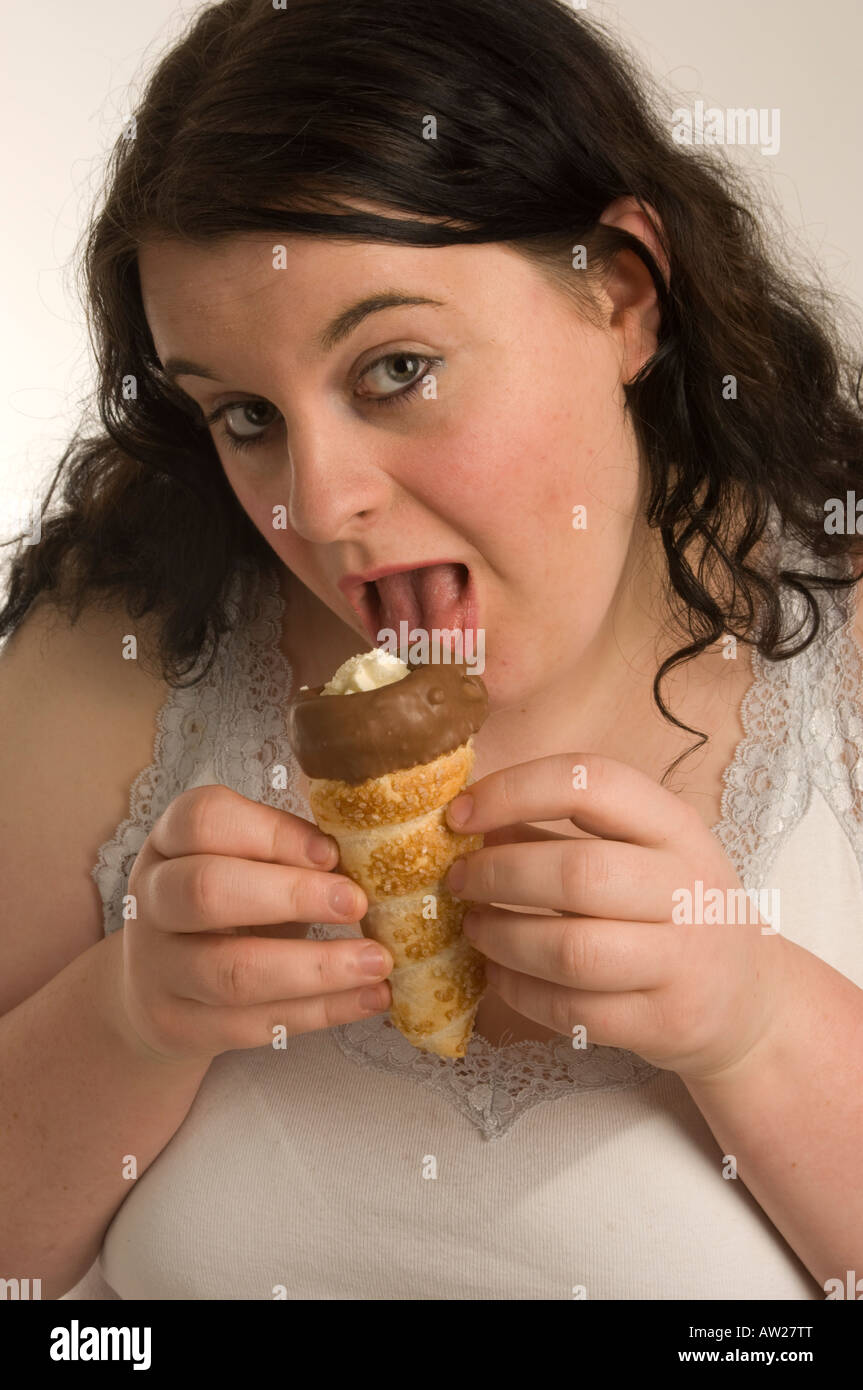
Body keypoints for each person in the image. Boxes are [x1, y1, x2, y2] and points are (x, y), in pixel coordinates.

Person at [1, 0, 862, 1301]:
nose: (317, 499)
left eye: (395, 366)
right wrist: (127, 1018)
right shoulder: (111, 657)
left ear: (622, 294)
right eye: (242, 413)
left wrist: (755, 1017)